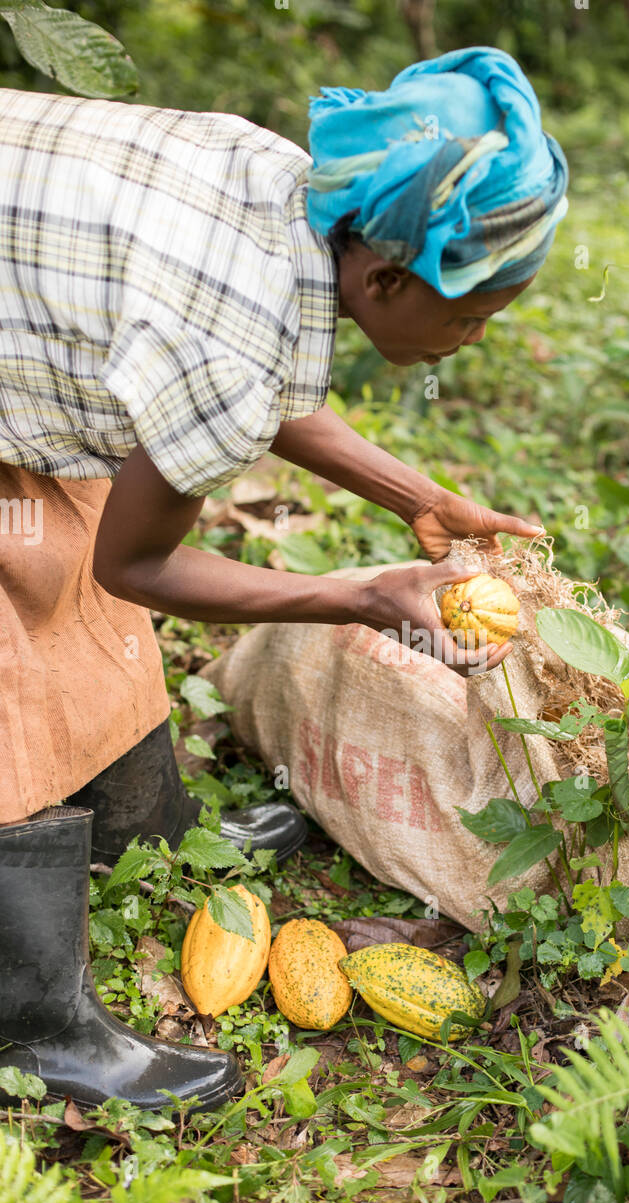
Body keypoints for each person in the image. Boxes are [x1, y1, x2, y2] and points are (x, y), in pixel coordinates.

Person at [0, 47, 569, 1110]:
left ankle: (139, 820)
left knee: (57, 530)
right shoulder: (235, 334)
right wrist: (361, 593)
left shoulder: (296, 194)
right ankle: (30, 1026)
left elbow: (260, 376)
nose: (474, 340)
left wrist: (415, 499)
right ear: (387, 280)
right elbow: (139, 567)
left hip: (26, 312)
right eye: (470, 317)